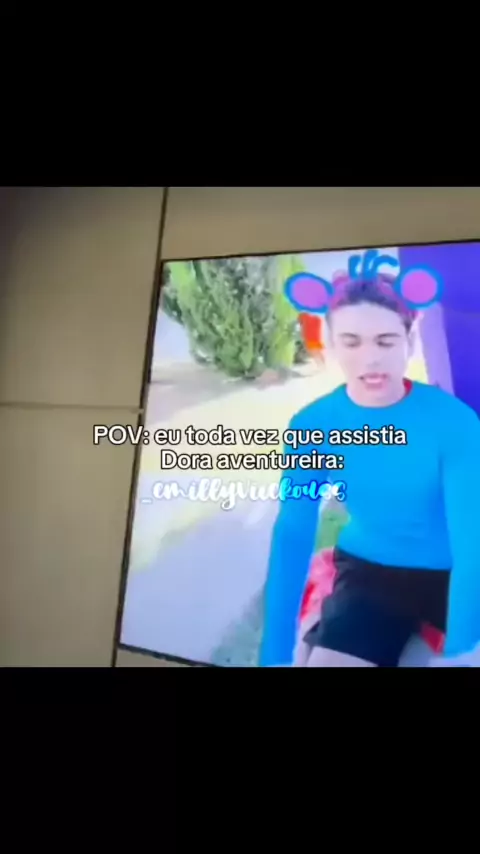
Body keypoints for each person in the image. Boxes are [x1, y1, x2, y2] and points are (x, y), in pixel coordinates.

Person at [258, 249, 480, 668]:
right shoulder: (312, 424)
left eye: (385, 341)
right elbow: (293, 530)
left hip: (457, 568)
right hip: (370, 573)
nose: (370, 358)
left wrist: (462, 655)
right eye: (351, 341)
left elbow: (472, 542)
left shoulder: (455, 422)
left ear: (410, 342)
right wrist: (274, 653)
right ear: (330, 344)